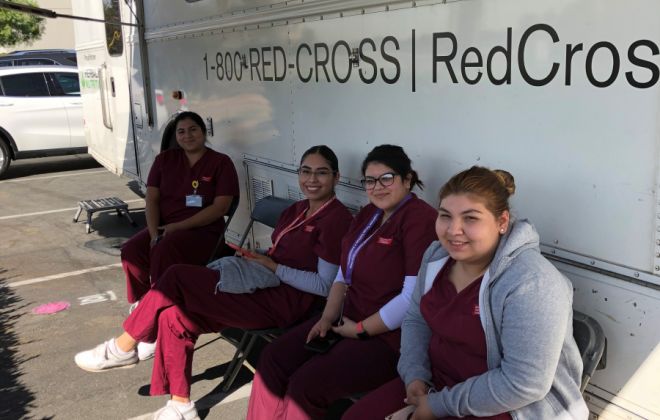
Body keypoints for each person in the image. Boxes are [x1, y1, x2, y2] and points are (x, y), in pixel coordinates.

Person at [74, 145, 354, 420]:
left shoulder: (336, 219)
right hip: (261, 284)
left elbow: (325, 286)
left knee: (176, 278)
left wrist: (274, 266)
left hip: (284, 303)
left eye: (322, 173)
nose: (312, 180)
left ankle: (123, 347)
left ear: (336, 178)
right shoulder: (296, 209)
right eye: (306, 171)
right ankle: (181, 405)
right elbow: (280, 254)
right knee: (174, 316)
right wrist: (259, 260)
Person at [342, 166, 588, 420]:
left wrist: (437, 406)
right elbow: (416, 319)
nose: (453, 230)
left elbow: (524, 384)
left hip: (508, 406)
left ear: (502, 222)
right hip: (437, 384)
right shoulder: (436, 256)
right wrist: (414, 375)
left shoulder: (532, 283)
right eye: (445, 216)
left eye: (470, 218)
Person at [246, 144, 438, 420]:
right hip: (345, 320)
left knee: (306, 385)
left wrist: (360, 330)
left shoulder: (419, 220)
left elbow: (411, 299)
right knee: (272, 359)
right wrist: (327, 318)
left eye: (387, 178)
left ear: (407, 180)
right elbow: (342, 274)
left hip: (387, 338)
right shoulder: (368, 214)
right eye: (370, 180)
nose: (378, 187)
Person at [120, 111, 239, 304]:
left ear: (204, 132)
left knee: (164, 249)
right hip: (164, 228)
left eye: (193, 130)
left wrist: (177, 227)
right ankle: (142, 303)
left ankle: (161, 305)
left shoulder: (220, 162)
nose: (187, 136)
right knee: (131, 250)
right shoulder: (164, 160)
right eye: (181, 132)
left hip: (203, 233)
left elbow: (220, 208)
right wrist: (152, 235)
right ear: (176, 136)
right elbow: (151, 199)